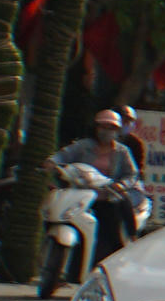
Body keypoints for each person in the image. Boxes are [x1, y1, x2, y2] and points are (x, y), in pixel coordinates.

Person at [52, 107, 146, 266]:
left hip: (108, 196)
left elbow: (132, 174)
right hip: (82, 196)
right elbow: (64, 155)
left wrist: (120, 185)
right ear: (96, 127)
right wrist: (52, 162)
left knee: (114, 230)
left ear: (117, 130)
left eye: (111, 128)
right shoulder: (83, 146)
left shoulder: (122, 151)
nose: (106, 131)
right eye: (103, 127)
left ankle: (129, 241)